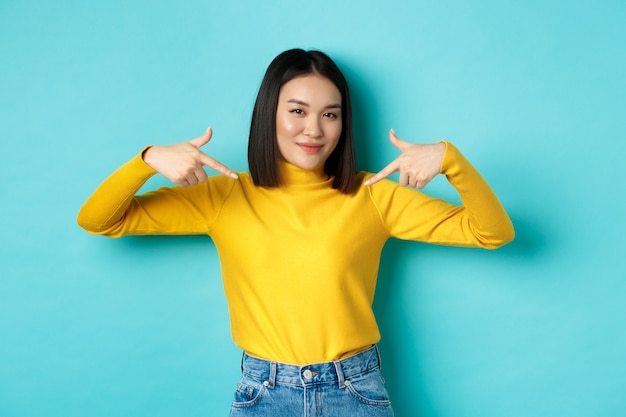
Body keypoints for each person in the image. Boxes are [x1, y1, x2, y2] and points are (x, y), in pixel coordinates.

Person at [77, 48, 514, 416]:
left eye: (330, 114)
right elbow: (100, 219)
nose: (314, 129)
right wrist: (147, 159)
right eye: (298, 111)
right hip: (264, 392)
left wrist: (451, 161)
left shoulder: (374, 195)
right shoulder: (226, 196)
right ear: (270, 113)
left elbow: (491, 232)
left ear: (343, 126)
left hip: (355, 391)